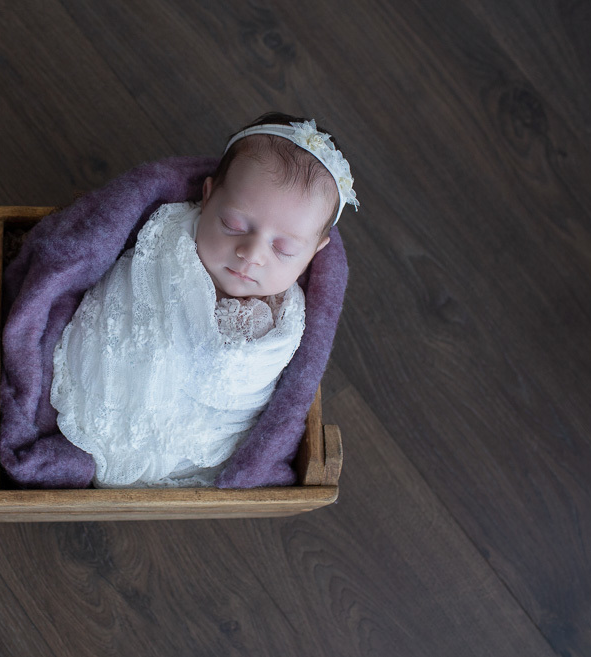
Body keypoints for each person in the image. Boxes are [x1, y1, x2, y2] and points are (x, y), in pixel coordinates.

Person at [48, 113, 359, 488]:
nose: (251, 253)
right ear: (208, 196)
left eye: (285, 249)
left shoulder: (285, 315)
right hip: (110, 385)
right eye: (233, 224)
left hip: (192, 437)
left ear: (314, 253)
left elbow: (245, 381)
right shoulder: (170, 237)